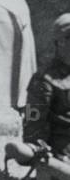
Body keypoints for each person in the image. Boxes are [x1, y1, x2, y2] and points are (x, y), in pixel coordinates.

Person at [24, 13, 70, 159]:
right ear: (59, 42)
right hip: (62, 156)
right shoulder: (44, 79)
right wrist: (39, 152)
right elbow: (32, 124)